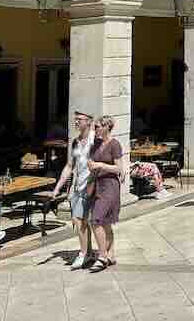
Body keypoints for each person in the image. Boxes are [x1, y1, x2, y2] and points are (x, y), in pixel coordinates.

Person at [50, 110, 95, 268]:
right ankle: (86, 252)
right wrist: (58, 188)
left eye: (79, 119)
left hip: (92, 185)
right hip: (79, 185)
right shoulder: (76, 142)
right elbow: (70, 166)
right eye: (75, 120)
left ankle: (89, 253)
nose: (76, 122)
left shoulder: (95, 140)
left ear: (89, 121)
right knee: (79, 219)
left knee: (85, 220)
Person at [87, 115, 124, 272]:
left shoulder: (114, 144)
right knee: (106, 222)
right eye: (95, 127)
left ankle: (102, 256)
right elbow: (91, 162)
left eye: (97, 127)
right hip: (97, 184)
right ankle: (111, 254)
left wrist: (101, 165)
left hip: (110, 185)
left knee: (96, 220)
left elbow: (119, 169)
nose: (95, 129)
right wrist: (91, 166)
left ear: (107, 127)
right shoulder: (95, 144)